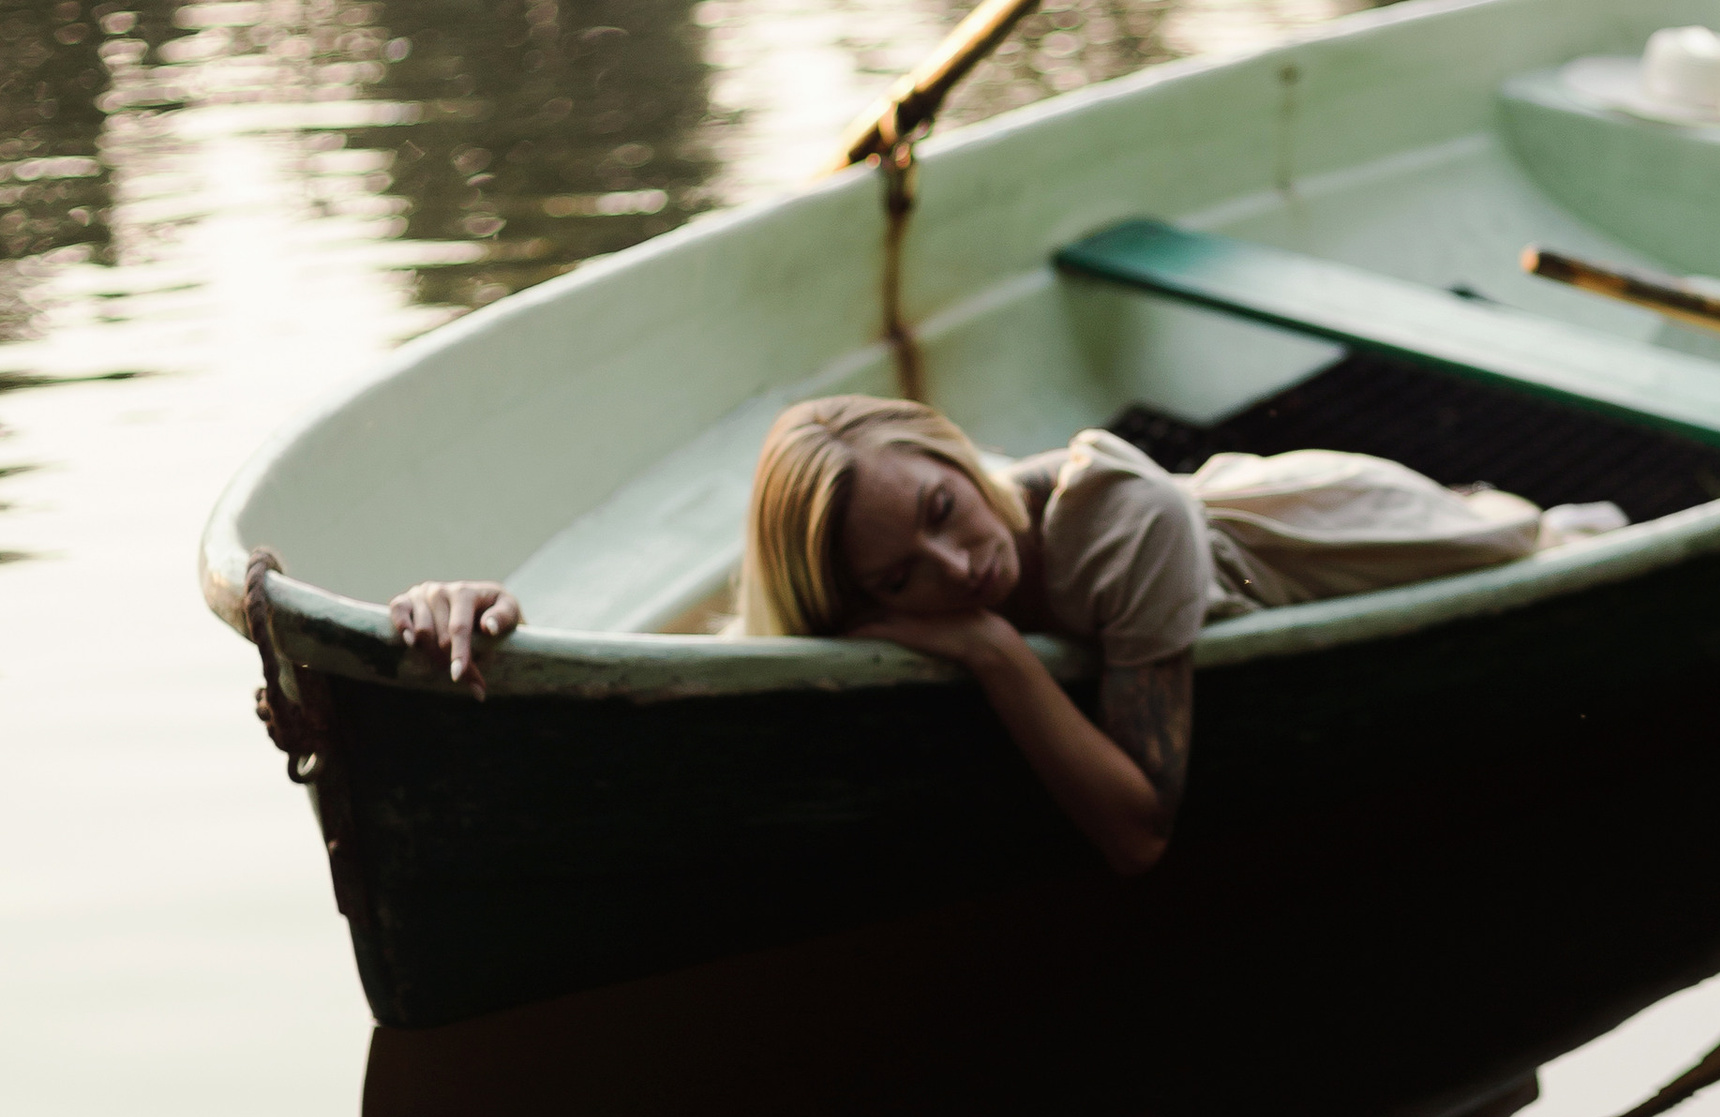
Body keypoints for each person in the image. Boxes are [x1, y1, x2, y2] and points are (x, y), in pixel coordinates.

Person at [391, 393, 1624, 875]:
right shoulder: (876, 592)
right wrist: (485, 614)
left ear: (944, 449)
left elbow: (1141, 826)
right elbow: (727, 657)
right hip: (1219, 539)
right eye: (900, 574)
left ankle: (1584, 525)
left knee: (1538, 540)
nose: (956, 559)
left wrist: (986, 649)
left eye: (942, 508)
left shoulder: (1114, 515)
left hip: (1328, 537)